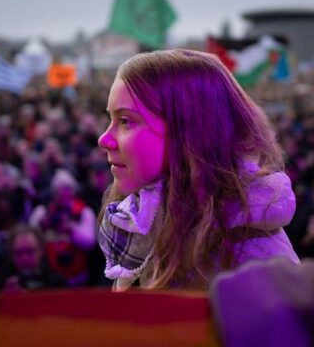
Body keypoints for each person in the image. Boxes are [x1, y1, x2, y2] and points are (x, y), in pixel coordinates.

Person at [96, 49, 299, 291]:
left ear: (189, 132)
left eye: (126, 121)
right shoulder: (145, 223)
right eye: (111, 118)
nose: (104, 139)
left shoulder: (253, 260)